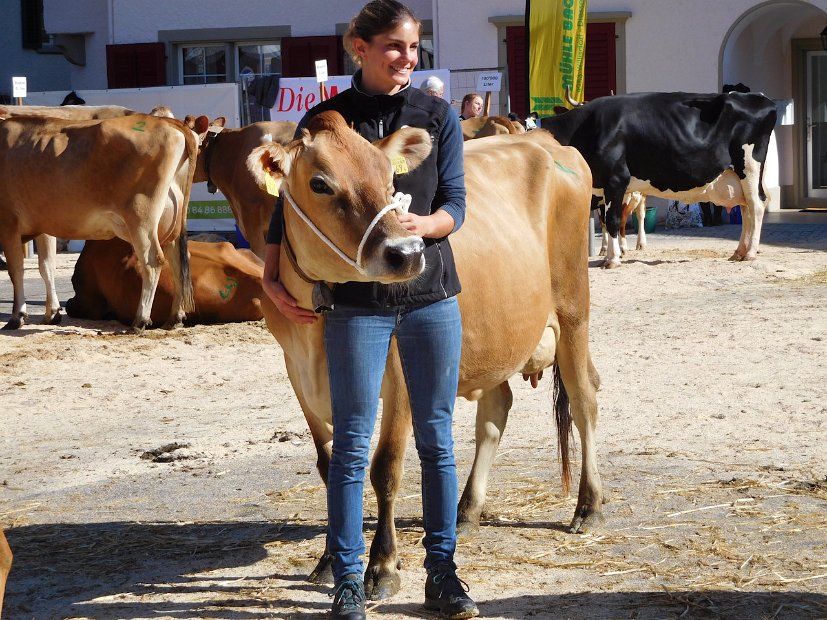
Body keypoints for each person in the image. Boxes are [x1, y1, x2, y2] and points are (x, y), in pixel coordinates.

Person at [261, 1, 478, 619]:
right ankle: (349, 581)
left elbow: (457, 203)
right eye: (394, 48)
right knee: (353, 444)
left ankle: (443, 573)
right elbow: (287, 203)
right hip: (355, 302)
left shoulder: (435, 116)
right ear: (359, 48)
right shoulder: (327, 122)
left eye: (414, 49)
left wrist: (428, 223)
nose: (407, 59)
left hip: (431, 293)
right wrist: (270, 271)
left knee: (436, 439)